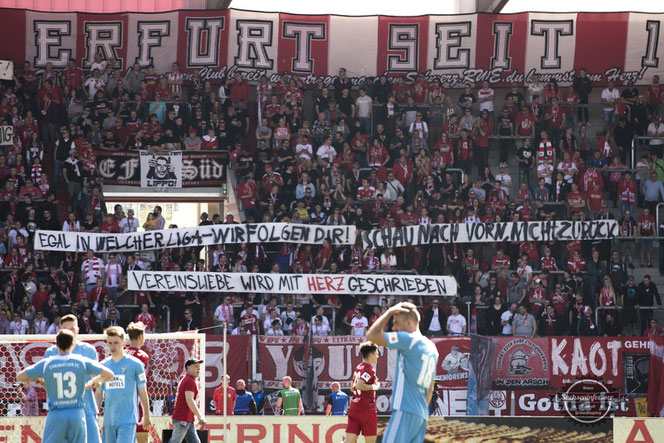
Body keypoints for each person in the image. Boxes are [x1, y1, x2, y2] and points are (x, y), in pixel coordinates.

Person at [17, 329, 114, 443]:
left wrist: (38, 379)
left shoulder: (47, 363)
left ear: (56, 344)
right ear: (73, 344)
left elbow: (20, 376)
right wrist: (94, 381)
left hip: (56, 414)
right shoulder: (81, 361)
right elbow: (109, 374)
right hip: (77, 413)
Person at [366, 303, 438, 443]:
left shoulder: (408, 339)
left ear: (409, 323)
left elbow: (372, 335)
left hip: (405, 410)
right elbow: (430, 388)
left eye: (396, 323)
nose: (393, 328)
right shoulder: (431, 347)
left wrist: (388, 313)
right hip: (421, 414)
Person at [44, 314, 103, 443]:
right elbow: (47, 382)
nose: (70, 332)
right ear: (60, 331)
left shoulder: (89, 350)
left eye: (72, 329)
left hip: (86, 407)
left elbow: (98, 380)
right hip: (60, 411)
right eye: (66, 329)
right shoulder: (51, 352)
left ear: (77, 330)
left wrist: (91, 385)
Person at [94, 326, 151, 443]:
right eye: (109, 343)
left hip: (128, 420)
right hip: (109, 420)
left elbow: (142, 391)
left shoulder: (136, 364)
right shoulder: (102, 366)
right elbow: (99, 393)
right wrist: (93, 415)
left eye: (116, 343)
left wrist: (146, 415)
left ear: (124, 343)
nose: (112, 346)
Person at [345, 342, 379, 443]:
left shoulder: (359, 366)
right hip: (367, 409)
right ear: (371, 354)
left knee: (348, 441)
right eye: (377, 353)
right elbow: (359, 385)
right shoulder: (369, 369)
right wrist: (374, 386)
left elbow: (352, 388)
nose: (378, 356)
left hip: (354, 408)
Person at [169, 359, 206, 443]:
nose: (198, 369)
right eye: (196, 367)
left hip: (187, 419)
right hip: (182, 419)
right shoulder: (189, 381)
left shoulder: (189, 379)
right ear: (188, 368)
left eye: (199, 367)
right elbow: (189, 400)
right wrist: (199, 416)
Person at [125, 322, 150, 443]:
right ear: (140, 337)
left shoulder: (122, 353)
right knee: (142, 439)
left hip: (121, 401)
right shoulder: (142, 356)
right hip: (136, 402)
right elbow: (141, 384)